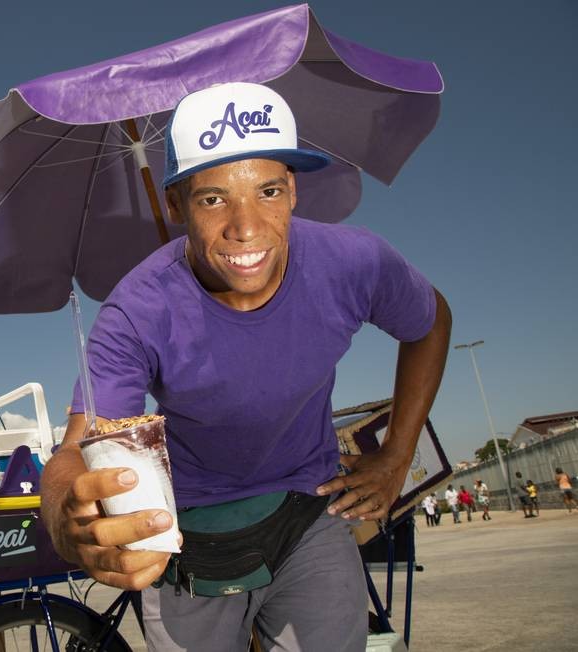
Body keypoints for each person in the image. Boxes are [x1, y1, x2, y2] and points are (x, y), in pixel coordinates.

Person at [39, 82, 451, 651]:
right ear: (175, 205)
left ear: (294, 191)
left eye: (268, 190)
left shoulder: (354, 262)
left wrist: (397, 455)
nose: (246, 225)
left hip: (311, 506)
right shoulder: (136, 311)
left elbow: (431, 321)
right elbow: (78, 448)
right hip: (190, 532)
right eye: (212, 199)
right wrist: (66, 518)